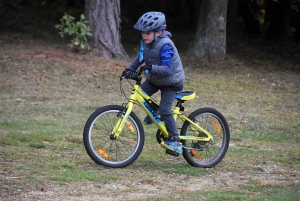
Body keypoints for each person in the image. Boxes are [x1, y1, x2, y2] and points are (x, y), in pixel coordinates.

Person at [121, 11, 185, 154]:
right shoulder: (146, 43)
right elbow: (139, 58)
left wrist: (150, 68)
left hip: (170, 82)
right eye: (143, 33)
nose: (144, 36)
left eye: (148, 33)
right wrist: (129, 70)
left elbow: (168, 69)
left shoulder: (165, 45)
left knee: (165, 110)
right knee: (142, 94)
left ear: (159, 32)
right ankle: (154, 111)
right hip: (155, 79)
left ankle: (175, 140)